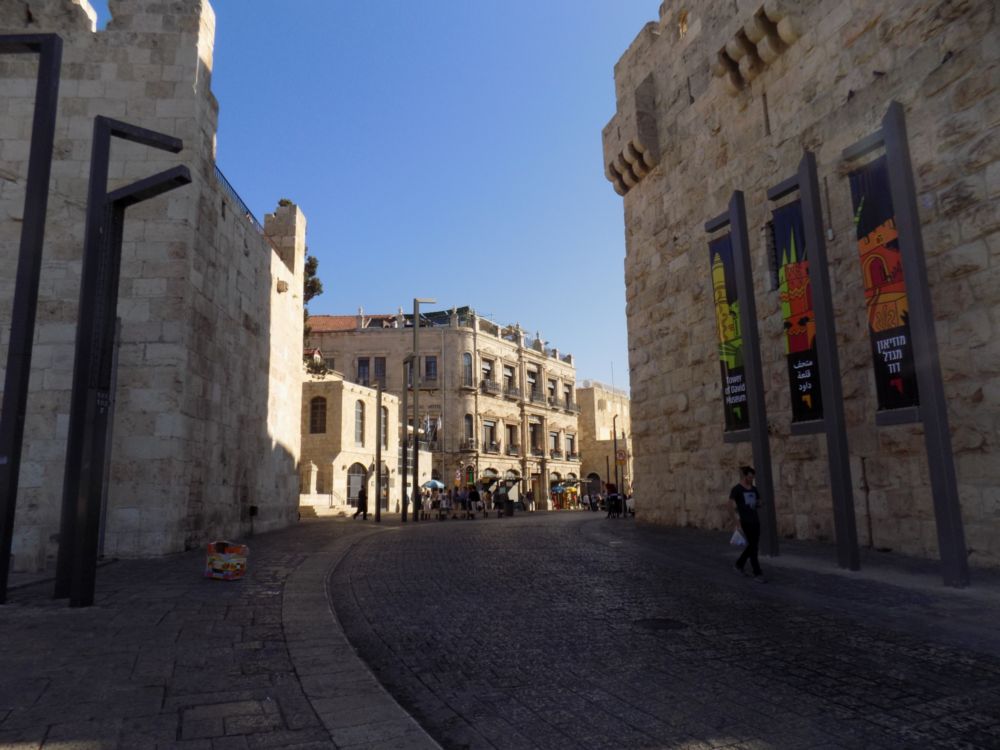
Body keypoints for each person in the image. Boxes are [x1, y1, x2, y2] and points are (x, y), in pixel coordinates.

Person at [731, 465, 765, 582]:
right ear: (744, 476)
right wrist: (737, 522)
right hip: (745, 521)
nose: (751, 479)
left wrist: (758, 503)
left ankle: (739, 564)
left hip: (755, 520)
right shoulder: (737, 489)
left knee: (753, 546)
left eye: (752, 477)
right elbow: (730, 506)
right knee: (753, 547)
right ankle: (757, 573)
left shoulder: (754, 489)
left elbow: (760, 501)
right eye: (749, 477)